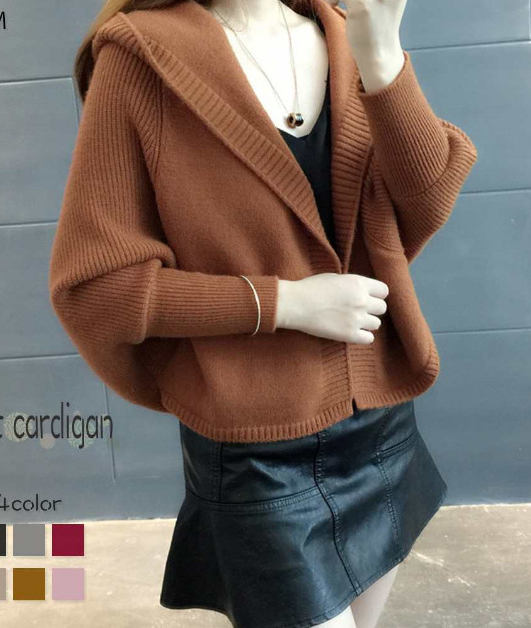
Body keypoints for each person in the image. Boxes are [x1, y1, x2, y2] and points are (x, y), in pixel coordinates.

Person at [49, 0, 478, 626]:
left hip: (380, 424)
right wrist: (285, 303)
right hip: (258, 449)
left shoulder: (343, 31)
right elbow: (97, 287)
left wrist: (381, 54)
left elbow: (427, 199)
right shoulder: (141, 57)